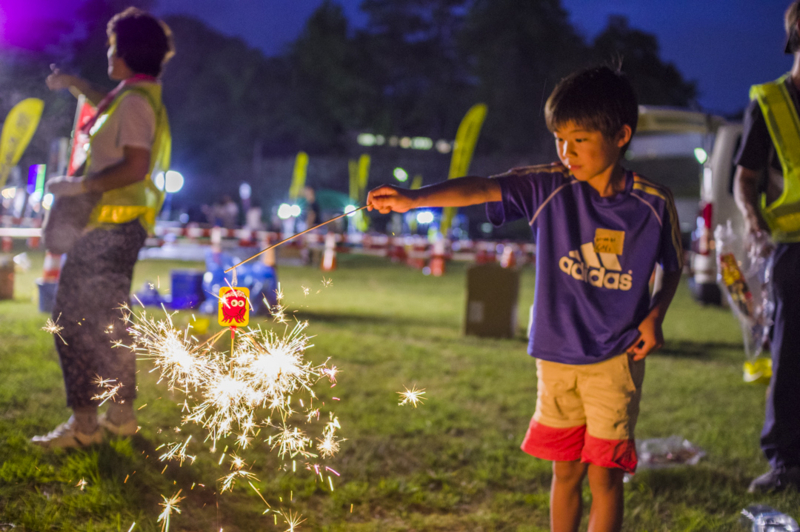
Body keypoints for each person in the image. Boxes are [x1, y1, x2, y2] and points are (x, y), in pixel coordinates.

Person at [368, 66, 683, 532]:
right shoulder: (548, 186)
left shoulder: (654, 204)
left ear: (621, 135)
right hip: (555, 359)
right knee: (565, 470)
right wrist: (415, 199)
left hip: (614, 362)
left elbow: (672, 264)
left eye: (579, 140)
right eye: (559, 139)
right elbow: (481, 187)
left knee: (605, 475)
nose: (566, 152)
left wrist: (656, 316)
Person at [32, 8, 174, 448]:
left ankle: (86, 425)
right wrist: (75, 84)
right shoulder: (136, 96)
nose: (108, 53)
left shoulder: (132, 103)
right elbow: (106, 102)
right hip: (121, 224)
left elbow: (136, 165)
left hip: (110, 224)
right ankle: (120, 416)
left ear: (127, 52)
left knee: (70, 318)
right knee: (108, 319)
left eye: (113, 46)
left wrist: (78, 186)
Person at [733, 0, 800, 494]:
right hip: (793, 251)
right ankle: (785, 463)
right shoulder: (771, 101)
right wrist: (753, 219)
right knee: (792, 356)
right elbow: (745, 178)